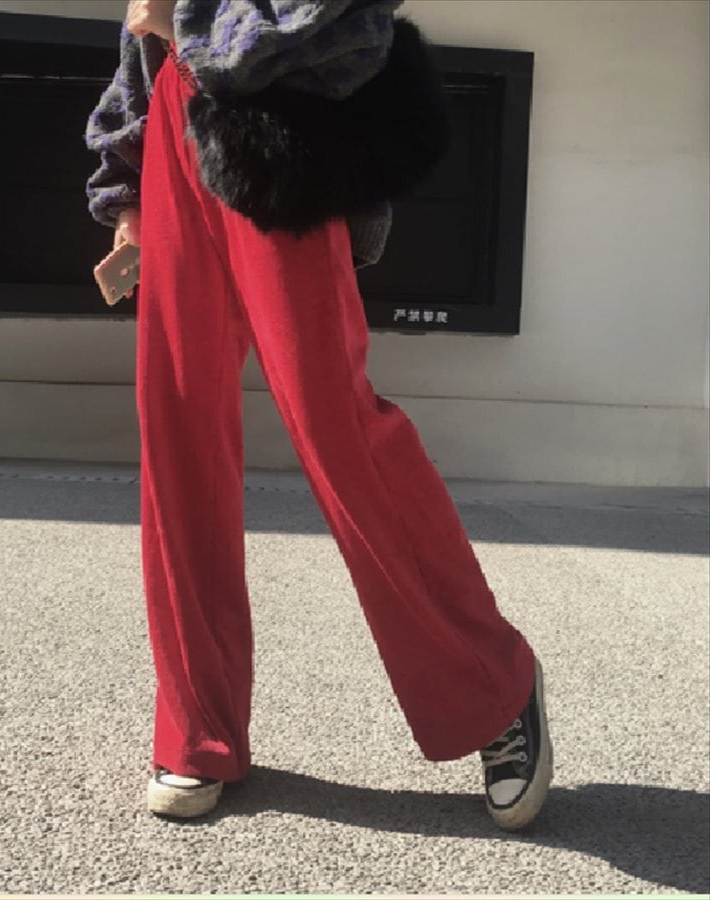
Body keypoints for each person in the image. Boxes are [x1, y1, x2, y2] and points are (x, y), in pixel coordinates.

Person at [84, 0, 553, 830]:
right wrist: (126, 188)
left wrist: (187, 26)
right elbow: (137, 42)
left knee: (337, 427)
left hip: (277, 138)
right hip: (173, 142)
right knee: (179, 434)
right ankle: (198, 725)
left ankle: (492, 686)